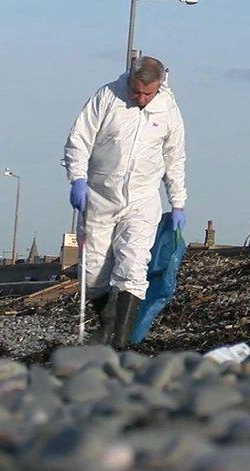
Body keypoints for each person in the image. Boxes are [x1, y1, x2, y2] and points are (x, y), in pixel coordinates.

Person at [64, 56, 187, 349]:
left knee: (132, 266)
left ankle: (120, 342)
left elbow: (175, 158)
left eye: (147, 94)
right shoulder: (107, 97)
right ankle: (106, 322)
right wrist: (78, 178)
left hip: (142, 200)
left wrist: (177, 201)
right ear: (130, 81)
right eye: (136, 91)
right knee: (93, 271)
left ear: (158, 87)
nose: (140, 98)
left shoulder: (168, 110)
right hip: (100, 196)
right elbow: (79, 140)